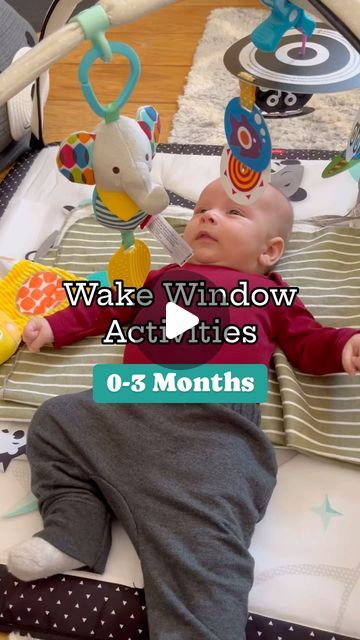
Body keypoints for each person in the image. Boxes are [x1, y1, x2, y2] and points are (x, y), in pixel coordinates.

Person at [7, 179, 360, 640]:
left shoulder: (270, 296)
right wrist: (54, 326)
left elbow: (309, 341)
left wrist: (345, 346)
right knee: (55, 421)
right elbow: (108, 308)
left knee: (204, 564)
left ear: (270, 251)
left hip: (209, 429)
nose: (208, 216)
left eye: (233, 213)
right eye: (202, 209)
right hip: (126, 405)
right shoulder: (161, 278)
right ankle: (76, 528)